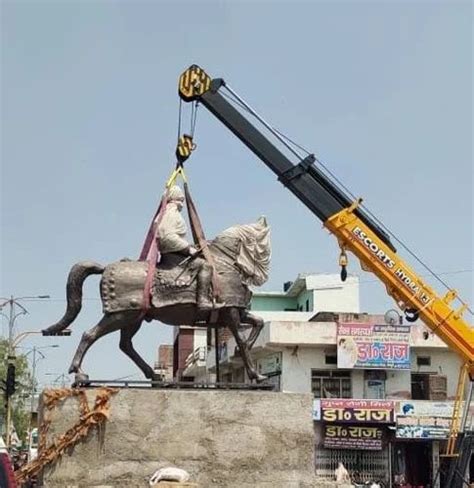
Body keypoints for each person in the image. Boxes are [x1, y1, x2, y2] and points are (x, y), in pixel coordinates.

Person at [156, 185, 221, 312]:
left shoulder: (166, 212)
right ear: (174, 199)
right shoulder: (171, 213)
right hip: (173, 255)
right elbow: (167, 237)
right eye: (180, 200)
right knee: (205, 266)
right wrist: (187, 248)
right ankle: (203, 301)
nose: (182, 204)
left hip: (173, 251)